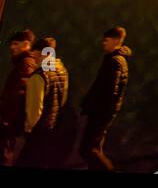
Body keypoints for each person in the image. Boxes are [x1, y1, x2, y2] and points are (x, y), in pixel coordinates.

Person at [79, 26, 130, 172]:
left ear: (115, 41)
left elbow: (109, 90)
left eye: (106, 40)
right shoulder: (117, 60)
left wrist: (95, 107)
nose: (103, 43)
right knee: (93, 148)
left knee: (88, 149)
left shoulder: (115, 61)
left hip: (100, 113)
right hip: (103, 112)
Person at [22, 35, 68, 169]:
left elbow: (35, 111)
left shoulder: (38, 76)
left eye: (34, 54)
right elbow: (62, 99)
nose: (33, 57)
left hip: (38, 130)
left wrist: (28, 127)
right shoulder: (61, 70)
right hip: (52, 126)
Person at [1, 29, 38, 167]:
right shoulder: (24, 63)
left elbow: (18, 95)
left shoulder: (25, 64)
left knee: (4, 155)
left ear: (26, 44)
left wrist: (6, 120)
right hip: (10, 121)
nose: (12, 47)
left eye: (16, 43)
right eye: (11, 44)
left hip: (8, 122)